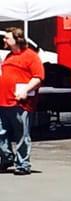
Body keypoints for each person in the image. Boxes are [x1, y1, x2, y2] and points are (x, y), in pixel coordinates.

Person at [0, 27, 45, 175]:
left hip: (20, 103)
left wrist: (25, 90)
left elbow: (38, 77)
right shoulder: (8, 56)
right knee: (1, 133)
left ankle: (23, 164)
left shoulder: (31, 56)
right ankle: (6, 157)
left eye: (7, 38)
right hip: (3, 101)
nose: (4, 40)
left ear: (17, 40)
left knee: (21, 134)